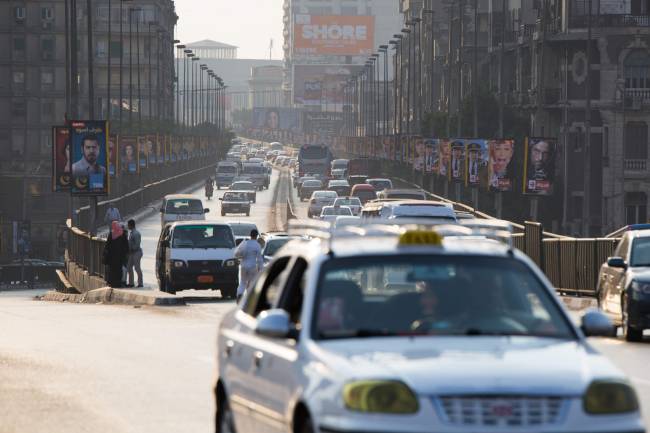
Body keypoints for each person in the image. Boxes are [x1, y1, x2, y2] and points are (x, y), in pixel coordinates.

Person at [234, 229, 264, 302]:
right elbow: (259, 259)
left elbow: (238, 253)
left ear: (250, 235)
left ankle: (239, 295)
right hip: (252, 267)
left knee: (243, 282)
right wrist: (261, 269)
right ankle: (249, 298)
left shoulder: (246, 243)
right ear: (256, 236)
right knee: (251, 282)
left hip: (243, 266)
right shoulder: (257, 245)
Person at [104, 221, 129, 288]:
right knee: (119, 269)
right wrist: (125, 253)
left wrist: (107, 253)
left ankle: (112, 283)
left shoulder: (111, 234)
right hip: (120, 256)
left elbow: (107, 245)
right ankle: (118, 283)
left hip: (112, 256)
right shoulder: (122, 233)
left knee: (112, 270)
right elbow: (126, 245)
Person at [126, 219, 143, 288]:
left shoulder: (136, 233)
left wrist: (131, 249)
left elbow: (137, 245)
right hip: (132, 253)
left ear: (131, 225)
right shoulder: (132, 233)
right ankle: (131, 283)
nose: (127, 226)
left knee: (137, 268)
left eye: (128, 225)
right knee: (129, 267)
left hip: (136, 253)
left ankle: (140, 283)